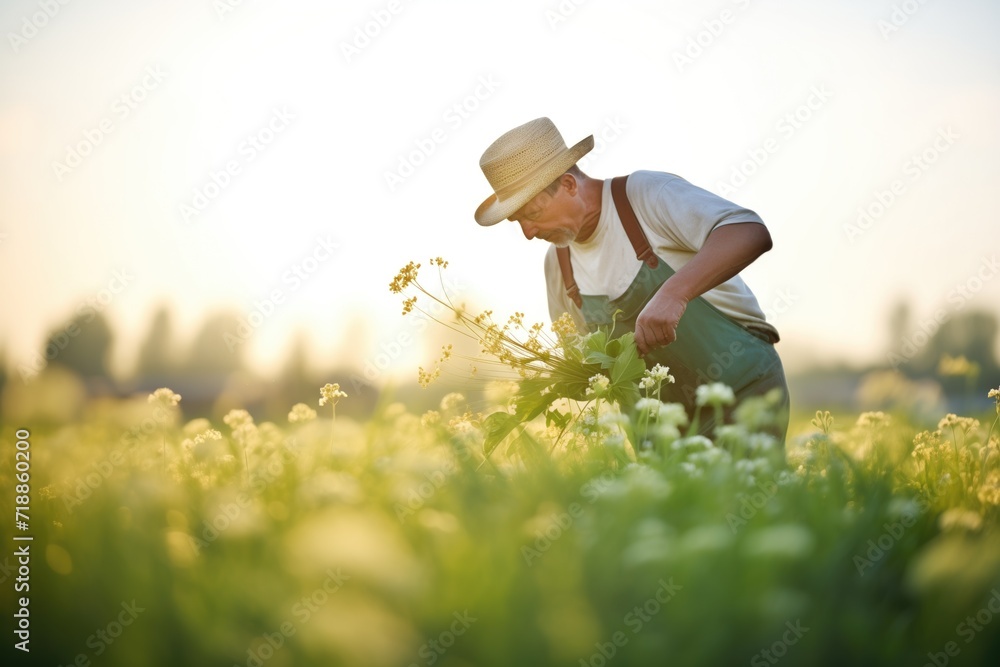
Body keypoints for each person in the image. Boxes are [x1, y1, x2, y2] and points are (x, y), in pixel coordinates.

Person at [474, 117, 789, 442]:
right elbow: (583, 364)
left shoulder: (644, 196)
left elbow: (748, 231)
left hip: (740, 392)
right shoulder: (558, 264)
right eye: (518, 221)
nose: (527, 233)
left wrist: (674, 294)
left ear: (568, 185)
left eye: (533, 214)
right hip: (655, 431)